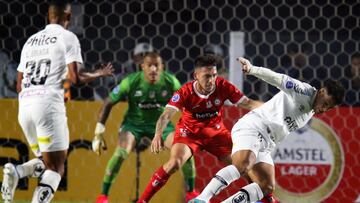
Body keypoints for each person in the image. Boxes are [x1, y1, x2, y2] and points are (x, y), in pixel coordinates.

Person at [1, 1, 114, 203]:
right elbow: (76, 77)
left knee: (45, 162)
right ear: (68, 17)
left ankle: (16, 171)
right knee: (57, 167)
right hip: (48, 106)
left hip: (24, 107)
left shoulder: (30, 41)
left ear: (48, 16)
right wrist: (100, 72)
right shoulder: (68, 37)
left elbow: (18, 84)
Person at [190, 57, 345, 203]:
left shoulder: (312, 109)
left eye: (328, 108)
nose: (323, 109)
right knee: (243, 165)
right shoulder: (303, 91)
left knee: (266, 186)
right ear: (322, 92)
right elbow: (277, 78)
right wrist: (252, 69)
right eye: (325, 103)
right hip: (254, 127)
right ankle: (202, 199)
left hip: (267, 142)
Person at [135, 54, 263, 203]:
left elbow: (248, 103)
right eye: (207, 76)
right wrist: (158, 134)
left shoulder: (223, 86)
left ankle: (265, 197)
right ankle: (142, 201)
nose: (211, 80)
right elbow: (166, 115)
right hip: (189, 133)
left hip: (216, 134)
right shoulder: (185, 91)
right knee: (174, 163)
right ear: (196, 75)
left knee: (244, 166)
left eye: (214, 75)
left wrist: (274, 107)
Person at [92, 52, 198, 203]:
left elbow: (186, 105)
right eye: (150, 65)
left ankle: (191, 193)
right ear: (142, 67)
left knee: (185, 150)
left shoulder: (170, 82)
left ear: (162, 67)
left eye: (157, 65)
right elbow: (109, 101)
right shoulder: (131, 81)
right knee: (121, 153)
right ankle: (103, 196)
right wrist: (98, 133)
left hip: (162, 126)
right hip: (133, 125)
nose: (153, 69)